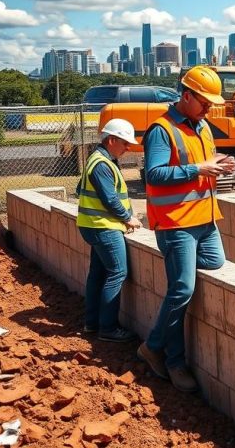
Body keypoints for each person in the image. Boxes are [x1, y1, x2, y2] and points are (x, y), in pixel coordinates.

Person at [137, 66, 235, 393]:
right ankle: (162, 353)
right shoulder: (161, 130)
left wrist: (219, 164)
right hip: (177, 222)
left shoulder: (203, 127)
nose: (210, 107)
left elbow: (202, 162)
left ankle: (163, 344)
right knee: (182, 290)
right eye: (204, 101)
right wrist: (198, 168)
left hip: (205, 220)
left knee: (214, 264)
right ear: (186, 95)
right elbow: (154, 175)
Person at [76, 118, 143, 342]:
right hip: (103, 227)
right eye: (125, 143)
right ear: (112, 140)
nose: (128, 148)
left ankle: (92, 323)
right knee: (117, 272)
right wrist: (127, 218)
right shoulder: (103, 164)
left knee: (98, 272)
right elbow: (110, 199)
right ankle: (108, 328)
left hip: (93, 225)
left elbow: (79, 188)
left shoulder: (98, 159)